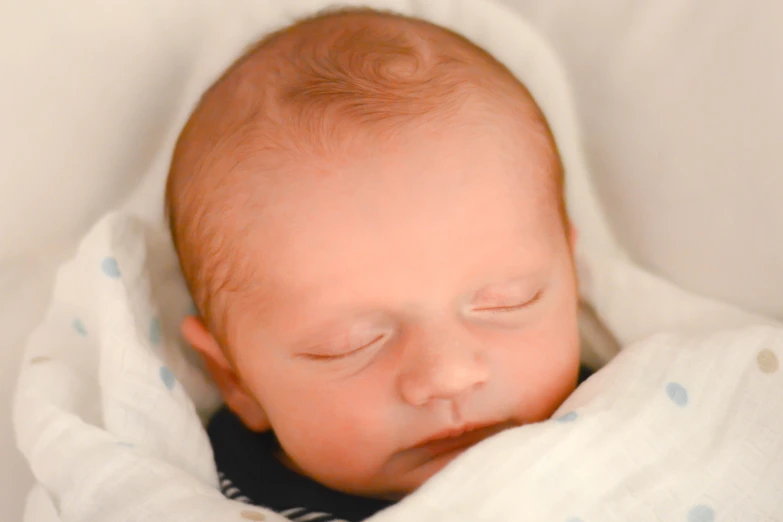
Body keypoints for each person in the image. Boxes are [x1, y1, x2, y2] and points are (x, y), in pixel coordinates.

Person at [165, 6, 588, 521]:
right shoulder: (201, 502)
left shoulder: (641, 417)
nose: (448, 375)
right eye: (349, 344)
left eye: (508, 301)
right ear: (235, 381)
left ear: (572, 276)